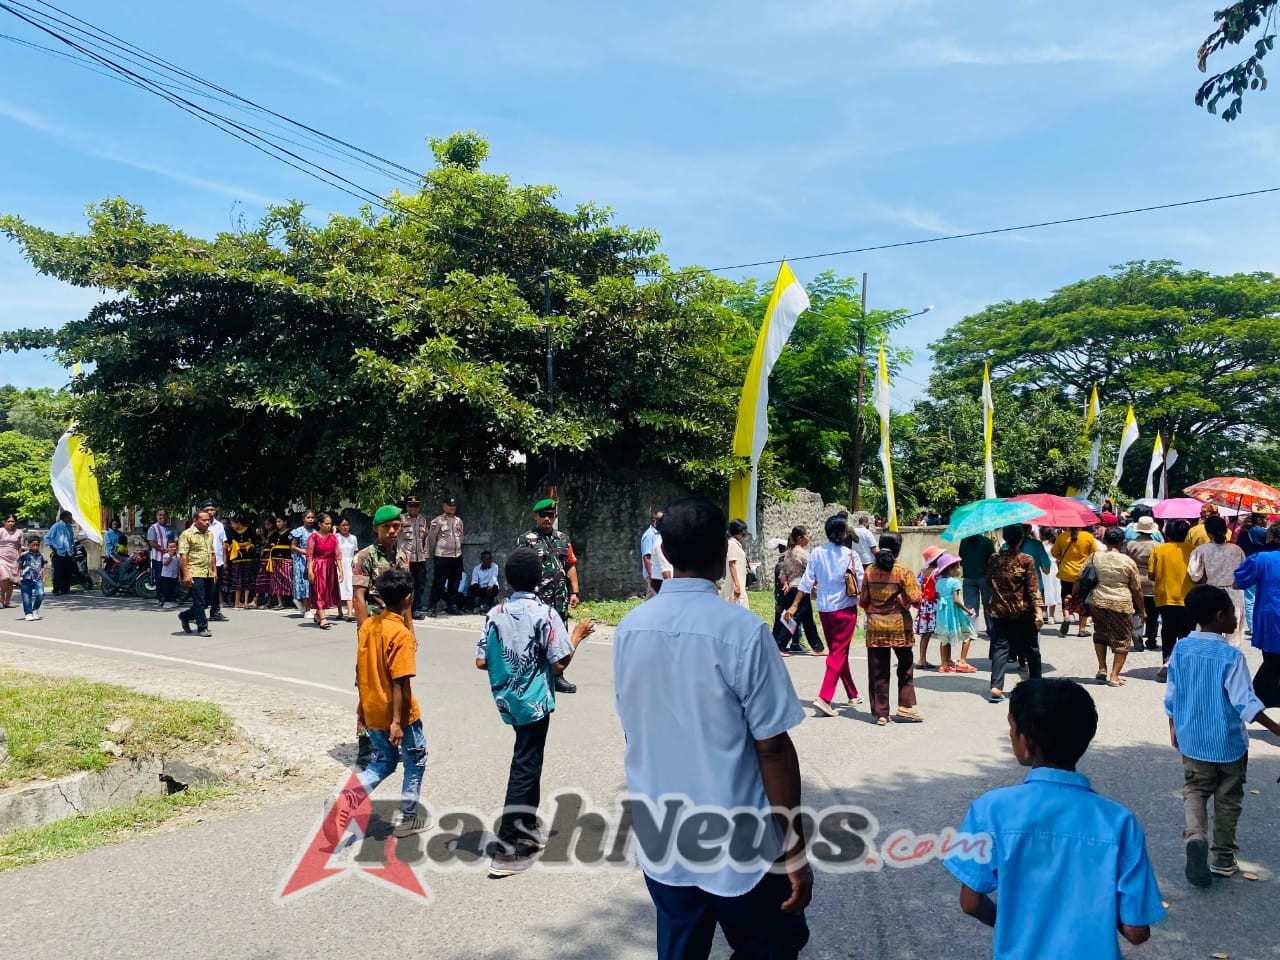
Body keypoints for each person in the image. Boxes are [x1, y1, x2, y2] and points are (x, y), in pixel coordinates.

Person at [613, 496, 810, 960]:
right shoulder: (742, 632)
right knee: (772, 943)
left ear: (663, 551)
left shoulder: (630, 628)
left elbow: (633, 724)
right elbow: (774, 749)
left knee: (680, 947)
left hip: (665, 830)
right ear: (724, 552)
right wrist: (794, 847)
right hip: (741, 840)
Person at [945, 678, 1164, 958]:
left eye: (1012, 728)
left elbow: (970, 902)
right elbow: (1137, 931)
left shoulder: (990, 810)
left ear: (1026, 742)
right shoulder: (1120, 823)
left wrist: (1016, 925)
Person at [475, 546, 595, 877]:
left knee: (530, 756)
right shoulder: (545, 614)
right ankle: (509, 846)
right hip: (534, 700)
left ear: (508, 580)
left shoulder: (495, 613)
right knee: (525, 763)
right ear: (541, 579)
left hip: (506, 698)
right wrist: (578, 636)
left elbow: (482, 660)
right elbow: (559, 663)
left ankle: (527, 825)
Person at [1164, 584, 1280, 886]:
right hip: (1228, 744)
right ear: (1220, 616)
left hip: (1193, 739)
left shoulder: (1180, 649)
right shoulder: (1231, 657)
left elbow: (1172, 694)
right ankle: (1223, 859)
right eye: (1232, 613)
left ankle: (1196, 835)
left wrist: (1173, 727)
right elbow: (1245, 703)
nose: (1235, 618)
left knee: (1195, 790)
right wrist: (1277, 729)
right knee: (1228, 801)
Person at [325, 567, 431, 845]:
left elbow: (362, 671)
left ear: (380, 598)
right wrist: (397, 721)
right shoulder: (401, 633)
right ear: (408, 597)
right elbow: (401, 682)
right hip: (397, 713)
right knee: (415, 759)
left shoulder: (368, 626)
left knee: (382, 762)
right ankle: (408, 817)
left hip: (372, 708)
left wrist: (361, 708)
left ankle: (345, 802)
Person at [788, 514, 864, 717]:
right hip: (845, 608)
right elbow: (861, 583)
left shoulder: (817, 553)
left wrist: (794, 605)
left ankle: (852, 692)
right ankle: (824, 698)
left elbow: (806, 580)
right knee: (838, 652)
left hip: (824, 608)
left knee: (838, 651)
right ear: (842, 533)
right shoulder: (850, 555)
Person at [517, 498, 581, 695]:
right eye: (543, 515)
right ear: (535, 516)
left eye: (550, 515)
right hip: (536, 599)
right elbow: (520, 567)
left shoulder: (563, 538)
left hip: (559, 599)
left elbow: (570, 565)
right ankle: (531, 675)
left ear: (555, 517)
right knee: (535, 637)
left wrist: (575, 591)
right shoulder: (526, 539)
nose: (547, 518)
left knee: (559, 638)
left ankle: (557, 677)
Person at [858, 532, 923, 725]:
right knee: (905, 667)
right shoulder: (903, 571)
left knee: (878, 670)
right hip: (899, 627)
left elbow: (863, 601)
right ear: (898, 549)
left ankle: (881, 713)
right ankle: (905, 705)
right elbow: (916, 599)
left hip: (876, 627)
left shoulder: (869, 571)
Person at [1078, 527, 1144, 687]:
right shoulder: (1128, 561)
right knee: (1122, 639)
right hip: (1121, 603)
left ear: (1105, 541)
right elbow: (1136, 588)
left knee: (1100, 633)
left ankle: (1102, 667)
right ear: (1122, 542)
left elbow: (1080, 576)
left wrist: (1074, 596)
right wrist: (1142, 610)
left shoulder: (1094, 557)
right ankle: (1114, 676)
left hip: (1097, 601)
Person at [986, 525, 1044, 703]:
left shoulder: (994, 559)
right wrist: (1039, 612)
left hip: (999, 611)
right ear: (1021, 538)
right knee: (1031, 649)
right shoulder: (1026, 559)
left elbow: (989, 582)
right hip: (1023, 612)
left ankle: (996, 686)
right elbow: (1033, 588)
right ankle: (1035, 685)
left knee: (1000, 648)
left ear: (1005, 538)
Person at [1233, 520, 1280, 707]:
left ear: (1272, 536)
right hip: (1270, 614)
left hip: (1271, 616)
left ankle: (1255, 699)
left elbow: (1239, 582)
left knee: (1271, 661)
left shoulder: (1262, 559)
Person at [1188, 515, 1247, 649]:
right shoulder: (1237, 550)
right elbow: (1243, 572)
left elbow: (1195, 574)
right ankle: (1231, 658)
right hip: (1234, 593)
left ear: (1208, 533)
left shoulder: (1201, 550)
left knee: (1210, 627)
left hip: (1211, 592)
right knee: (1234, 630)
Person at [1151, 519, 1196, 682]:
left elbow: (1152, 575)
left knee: (1168, 631)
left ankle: (1166, 664)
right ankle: (1184, 667)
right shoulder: (1194, 550)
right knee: (1186, 633)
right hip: (1189, 598)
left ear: (1167, 533)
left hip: (1165, 597)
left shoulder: (1159, 550)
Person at [352, 506, 412, 627]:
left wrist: (410, 630)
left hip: (397, 623)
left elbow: (406, 596)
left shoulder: (402, 556)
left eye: (396, 526)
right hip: (374, 622)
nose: (391, 530)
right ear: (376, 528)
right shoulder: (365, 556)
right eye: (386, 526)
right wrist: (365, 632)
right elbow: (358, 596)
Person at [776, 526, 823, 657]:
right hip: (800, 589)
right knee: (794, 618)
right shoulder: (803, 553)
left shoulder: (788, 553)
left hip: (792, 588)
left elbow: (782, 572)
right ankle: (779, 645)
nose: (809, 538)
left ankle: (817, 647)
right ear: (800, 538)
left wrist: (785, 583)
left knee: (808, 621)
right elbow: (813, 570)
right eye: (807, 536)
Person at [1052, 526, 1099, 637]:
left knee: (1066, 595)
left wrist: (1065, 558)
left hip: (1066, 572)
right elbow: (1095, 554)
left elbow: (1054, 553)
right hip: (1083, 574)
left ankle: (1067, 617)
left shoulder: (1062, 537)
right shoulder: (1088, 537)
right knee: (1084, 599)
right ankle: (1081, 629)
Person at [1124, 516, 1162, 653]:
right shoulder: (1157, 546)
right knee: (1153, 611)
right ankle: (1151, 639)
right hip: (1152, 580)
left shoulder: (1131, 544)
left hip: (1135, 579)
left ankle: (1137, 633)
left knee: (1136, 609)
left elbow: (1126, 562)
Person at [934, 555, 977, 673]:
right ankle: (962, 661)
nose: (959, 569)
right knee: (968, 634)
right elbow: (956, 600)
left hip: (943, 614)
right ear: (950, 569)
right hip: (955, 613)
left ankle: (944, 664)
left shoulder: (938, 582)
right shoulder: (955, 582)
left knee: (944, 638)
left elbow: (938, 597)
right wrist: (968, 610)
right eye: (958, 567)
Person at [177, 509, 216, 638]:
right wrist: (186, 574)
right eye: (204, 520)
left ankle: (185, 616)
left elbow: (212, 553)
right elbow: (183, 556)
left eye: (208, 520)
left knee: (208, 600)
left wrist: (214, 570)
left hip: (208, 572)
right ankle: (202, 627)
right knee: (199, 600)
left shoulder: (210, 534)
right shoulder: (187, 534)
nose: (207, 522)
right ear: (195, 520)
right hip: (195, 571)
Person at [426, 496, 465, 616]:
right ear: (444, 506)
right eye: (449, 505)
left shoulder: (459, 521)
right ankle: (433, 605)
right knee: (439, 582)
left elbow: (461, 536)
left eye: (454, 506)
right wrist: (434, 553)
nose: (452, 508)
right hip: (442, 556)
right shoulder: (437, 521)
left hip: (456, 556)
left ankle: (452, 605)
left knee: (455, 581)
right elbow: (431, 539)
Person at [307, 512, 341, 629]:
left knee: (327, 592)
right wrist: (310, 571)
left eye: (330, 524)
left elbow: (337, 555)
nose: (329, 526)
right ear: (320, 524)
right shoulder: (314, 537)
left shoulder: (333, 537)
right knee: (319, 591)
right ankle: (323, 619)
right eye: (326, 523)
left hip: (330, 567)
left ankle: (317, 614)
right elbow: (309, 555)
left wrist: (340, 570)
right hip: (318, 566)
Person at [1236, 512, 1269, 632]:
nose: (1268, 520)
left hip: (1247, 565)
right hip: (1261, 564)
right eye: (1266, 518)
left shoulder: (1243, 532)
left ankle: (1252, 627)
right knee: (1261, 595)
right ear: (1259, 520)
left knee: (1249, 598)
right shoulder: (1260, 531)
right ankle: (1259, 625)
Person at [399, 496, 431, 620]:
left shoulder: (422, 519)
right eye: (411, 506)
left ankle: (415, 609)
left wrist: (426, 555)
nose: (413, 508)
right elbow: (396, 537)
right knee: (406, 585)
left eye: (416, 506)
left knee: (420, 584)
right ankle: (403, 608)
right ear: (407, 507)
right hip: (406, 558)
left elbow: (425, 538)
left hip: (420, 557)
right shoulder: (401, 519)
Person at [959, 533, 996, 638]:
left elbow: (961, 559)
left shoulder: (964, 541)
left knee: (970, 606)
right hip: (985, 576)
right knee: (988, 605)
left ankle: (972, 630)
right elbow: (993, 559)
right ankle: (991, 628)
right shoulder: (987, 542)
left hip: (968, 576)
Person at [914, 545, 942, 669]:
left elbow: (918, 585)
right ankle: (946, 660)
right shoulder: (938, 572)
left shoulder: (923, 571)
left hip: (925, 604)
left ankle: (922, 658)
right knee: (943, 630)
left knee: (925, 633)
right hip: (935, 603)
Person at [201, 500, 229, 621]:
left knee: (216, 588)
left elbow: (223, 543)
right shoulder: (197, 525)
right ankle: (197, 612)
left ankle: (215, 612)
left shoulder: (219, 525)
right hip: (202, 563)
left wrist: (225, 560)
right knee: (202, 589)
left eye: (212, 509)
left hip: (217, 562)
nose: (210, 512)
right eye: (207, 510)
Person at [226, 515, 258, 610]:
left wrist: (241, 545)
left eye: (233, 523)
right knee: (237, 580)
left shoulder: (249, 531)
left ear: (238, 523)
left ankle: (246, 602)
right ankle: (237, 602)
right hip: (236, 558)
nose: (232, 525)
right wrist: (245, 544)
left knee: (247, 579)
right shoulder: (231, 532)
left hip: (248, 558)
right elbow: (231, 545)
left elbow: (253, 544)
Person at [290, 509, 316, 621]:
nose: (310, 519)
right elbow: (293, 546)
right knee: (303, 584)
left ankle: (301, 602)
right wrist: (305, 552)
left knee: (311, 584)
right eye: (308, 517)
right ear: (303, 519)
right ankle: (307, 609)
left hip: (312, 560)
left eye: (312, 517)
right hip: (300, 561)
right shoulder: (298, 531)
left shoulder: (315, 532)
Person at [264, 515, 294, 610]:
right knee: (276, 581)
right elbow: (268, 543)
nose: (277, 524)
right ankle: (280, 602)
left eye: (279, 521)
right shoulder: (275, 534)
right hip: (275, 560)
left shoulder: (291, 533)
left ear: (285, 522)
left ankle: (296, 600)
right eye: (276, 522)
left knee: (288, 579)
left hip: (286, 559)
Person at [147, 509, 174, 609]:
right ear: (156, 516)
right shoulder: (153, 528)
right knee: (160, 579)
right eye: (160, 515)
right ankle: (161, 598)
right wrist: (162, 550)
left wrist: (173, 552)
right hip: (158, 558)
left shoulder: (171, 528)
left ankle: (170, 598)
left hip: (171, 557)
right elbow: (151, 542)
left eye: (165, 515)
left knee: (170, 578)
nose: (163, 517)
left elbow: (175, 540)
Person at [721, 519, 751, 608]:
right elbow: (732, 564)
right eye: (743, 533)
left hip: (740, 582)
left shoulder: (736, 544)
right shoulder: (732, 544)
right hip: (736, 584)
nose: (744, 535)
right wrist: (737, 585)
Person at [17, 535, 46, 621]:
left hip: (37, 578)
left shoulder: (41, 555)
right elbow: (19, 566)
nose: (35, 547)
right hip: (26, 577)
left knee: (40, 594)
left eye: (37, 545)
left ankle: (35, 609)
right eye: (33, 545)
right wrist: (18, 577)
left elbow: (43, 566)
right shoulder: (24, 555)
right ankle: (28, 613)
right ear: (29, 544)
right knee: (26, 596)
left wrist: (44, 577)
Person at [45, 510, 75, 595]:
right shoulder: (57, 526)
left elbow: (71, 539)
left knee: (67, 571)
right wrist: (53, 548)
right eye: (70, 516)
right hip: (58, 552)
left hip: (68, 552)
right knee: (58, 571)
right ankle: (57, 589)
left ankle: (65, 588)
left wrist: (72, 547)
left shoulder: (69, 527)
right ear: (65, 517)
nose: (71, 518)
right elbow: (47, 538)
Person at [335, 517, 359, 621]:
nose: (345, 527)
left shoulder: (353, 538)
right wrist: (333, 531)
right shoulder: (335, 537)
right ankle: (340, 612)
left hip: (350, 563)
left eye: (347, 525)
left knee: (350, 587)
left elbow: (355, 552)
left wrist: (356, 564)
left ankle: (349, 613)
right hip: (338, 563)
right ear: (338, 526)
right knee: (339, 587)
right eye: (343, 525)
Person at [1039, 528, 1061, 624]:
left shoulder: (1040, 545)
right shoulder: (1055, 544)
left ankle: (1043, 612)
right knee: (1053, 590)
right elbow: (1058, 557)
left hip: (1043, 568)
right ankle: (1051, 616)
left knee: (1044, 590)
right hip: (1053, 568)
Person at [0, 515, 22, 610]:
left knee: (10, 581)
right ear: (4, 522)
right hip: (1, 558)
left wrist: (20, 558)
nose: (10, 523)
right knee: (4, 578)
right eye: (8, 521)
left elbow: (19, 546)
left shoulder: (19, 532)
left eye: (12, 521)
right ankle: (1, 600)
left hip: (14, 559)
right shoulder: (1, 531)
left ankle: (7, 601)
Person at [640, 510, 663, 597]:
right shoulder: (649, 535)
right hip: (653, 576)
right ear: (654, 520)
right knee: (655, 598)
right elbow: (646, 557)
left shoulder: (658, 533)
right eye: (660, 519)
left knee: (652, 599)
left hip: (658, 575)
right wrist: (652, 576)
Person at [158, 541, 180, 609]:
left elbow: (178, 566)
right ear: (167, 548)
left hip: (174, 575)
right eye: (170, 547)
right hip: (166, 576)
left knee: (172, 589)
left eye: (174, 547)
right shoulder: (166, 555)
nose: (172, 548)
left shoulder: (178, 556)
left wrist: (179, 575)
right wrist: (170, 556)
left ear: (176, 547)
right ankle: (166, 602)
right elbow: (166, 563)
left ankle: (171, 601)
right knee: (166, 590)